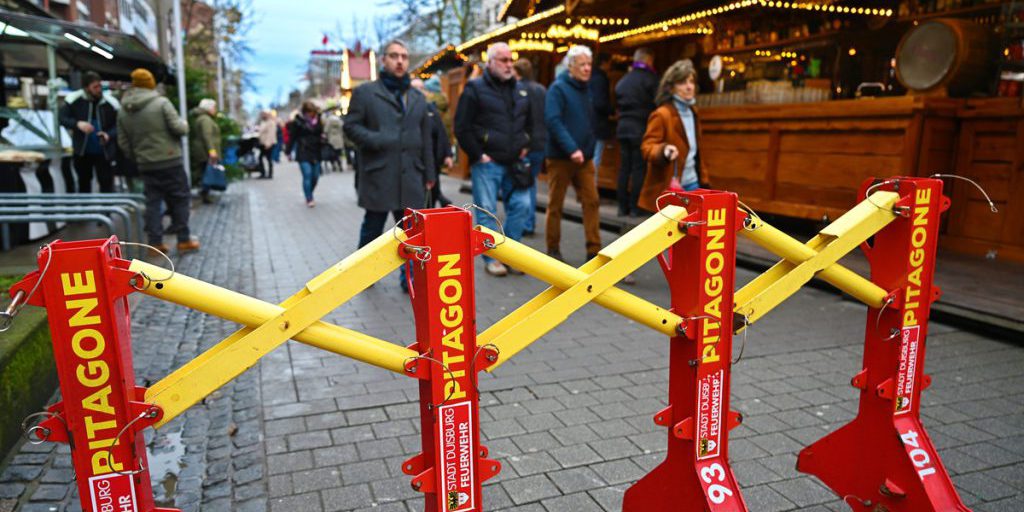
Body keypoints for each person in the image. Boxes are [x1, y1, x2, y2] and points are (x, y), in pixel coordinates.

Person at [344, 39, 435, 292]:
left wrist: (430, 172)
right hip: (379, 172)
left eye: (404, 57)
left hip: (412, 174)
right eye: (394, 56)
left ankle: (411, 279)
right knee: (373, 227)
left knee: (412, 230)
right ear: (384, 60)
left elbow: (425, 136)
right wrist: (377, 139)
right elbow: (350, 127)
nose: (399, 61)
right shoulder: (365, 93)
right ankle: (364, 275)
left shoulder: (417, 97)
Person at [454, 42, 533, 277]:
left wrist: (526, 143)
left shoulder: (520, 89)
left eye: (511, 60)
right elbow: (462, 127)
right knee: (486, 212)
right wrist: (479, 155)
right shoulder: (474, 89)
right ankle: (493, 259)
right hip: (488, 163)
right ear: (490, 63)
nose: (509, 64)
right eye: (503, 60)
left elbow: (529, 121)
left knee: (523, 205)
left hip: (514, 162)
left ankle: (510, 254)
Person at [117, 68, 199, 253]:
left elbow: (123, 141)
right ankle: (183, 239)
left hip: (145, 164)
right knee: (180, 198)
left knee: (152, 203)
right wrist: (185, 124)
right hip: (170, 160)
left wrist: (138, 155)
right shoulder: (161, 103)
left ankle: (155, 244)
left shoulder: (123, 109)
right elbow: (179, 128)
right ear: (151, 83)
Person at [544, 45, 601, 262]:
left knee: (592, 201)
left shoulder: (587, 89)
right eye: (582, 65)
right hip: (561, 158)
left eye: (589, 64)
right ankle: (553, 249)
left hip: (584, 158)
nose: (587, 69)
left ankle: (593, 250)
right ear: (571, 67)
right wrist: (571, 148)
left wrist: (587, 147)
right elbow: (553, 121)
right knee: (555, 204)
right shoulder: (558, 89)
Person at [637, 59, 706, 213]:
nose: (689, 87)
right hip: (670, 185)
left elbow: (697, 151)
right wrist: (664, 150)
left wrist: (704, 180)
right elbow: (647, 147)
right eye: (682, 82)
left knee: (694, 233)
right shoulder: (662, 114)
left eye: (691, 81)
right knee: (671, 234)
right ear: (671, 88)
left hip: (693, 182)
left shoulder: (693, 112)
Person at [615, 47, 659, 217]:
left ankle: (621, 207)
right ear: (648, 59)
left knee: (624, 168)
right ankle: (635, 207)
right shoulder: (651, 79)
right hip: (641, 127)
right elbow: (658, 102)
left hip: (623, 128)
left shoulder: (623, 81)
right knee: (639, 168)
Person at [59, 71, 119, 193]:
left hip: (104, 151)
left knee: (106, 182)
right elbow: (62, 118)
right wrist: (77, 124)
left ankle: (106, 211)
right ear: (86, 88)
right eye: (95, 87)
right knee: (84, 182)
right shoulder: (73, 100)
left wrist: (108, 135)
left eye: (100, 86)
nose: (99, 90)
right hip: (82, 151)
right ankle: (85, 209)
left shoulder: (110, 103)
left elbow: (118, 125)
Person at [512, 58, 546, 238]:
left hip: (525, 144)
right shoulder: (541, 89)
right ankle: (529, 221)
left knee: (523, 184)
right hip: (541, 143)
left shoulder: (517, 89)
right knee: (531, 182)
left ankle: (526, 222)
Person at [411, 78, 453, 207]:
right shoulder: (406, 111)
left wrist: (447, 154)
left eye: (422, 88)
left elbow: (441, 132)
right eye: (415, 88)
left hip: (432, 162)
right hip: (414, 164)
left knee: (431, 197)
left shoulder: (430, 109)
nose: (419, 91)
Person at [286, 101, 324, 207]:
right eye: (309, 112)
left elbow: (321, 133)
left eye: (312, 112)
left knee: (315, 176)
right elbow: (292, 137)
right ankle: (309, 198)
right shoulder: (298, 122)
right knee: (307, 174)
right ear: (305, 112)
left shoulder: (318, 121)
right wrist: (288, 151)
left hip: (316, 151)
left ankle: (309, 192)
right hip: (303, 151)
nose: (311, 114)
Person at [188, 98, 221, 203]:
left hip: (201, 151)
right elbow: (207, 136)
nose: (215, 109)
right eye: (213, 107)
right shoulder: (205, 120)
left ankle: (204, 193)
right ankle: (204, 194)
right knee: (206, 173)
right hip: (205, 152)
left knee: (204, 172)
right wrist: (212, 151)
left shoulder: (202, 118)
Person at [589, 53, 614, 183]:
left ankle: (586, 190)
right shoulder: (600, 78)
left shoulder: (591, 77)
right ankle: (590, 190)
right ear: (604, 63)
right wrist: (612, 110)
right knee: (595, 158)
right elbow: (600, 103)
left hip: (590, 122)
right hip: (598, 123)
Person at [256, 110, 278, 178]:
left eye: (264, 114)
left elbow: (271, 134)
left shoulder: (271, 122)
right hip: (263, 143)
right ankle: (263, 173)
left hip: (268, 143)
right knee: (261, 158)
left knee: (268, 159)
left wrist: (268, 144)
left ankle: (270, 174)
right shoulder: (263, 122)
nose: (262, 115)